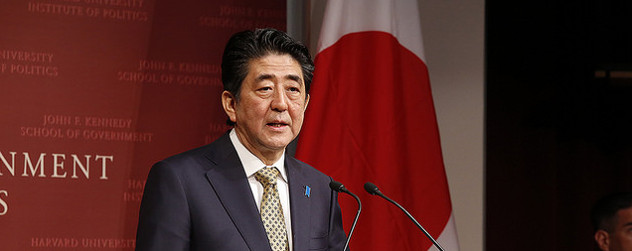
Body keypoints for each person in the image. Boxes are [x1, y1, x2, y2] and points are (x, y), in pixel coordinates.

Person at [135, 28, 346, 251]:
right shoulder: (180, 180)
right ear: (231, 104)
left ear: (304, 104)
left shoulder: (321, 188)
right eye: (265, 88)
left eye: (293, 89)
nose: (281, 104)